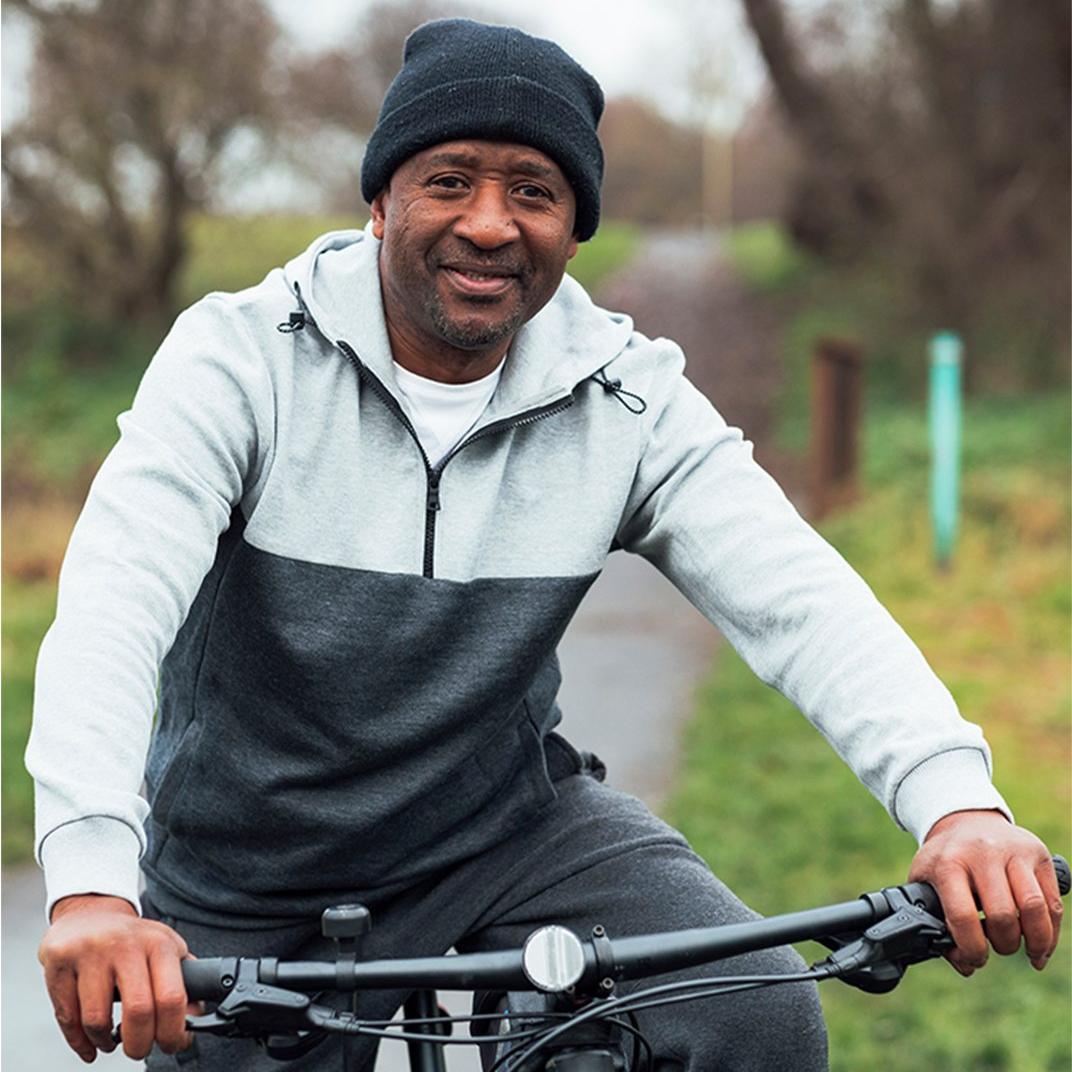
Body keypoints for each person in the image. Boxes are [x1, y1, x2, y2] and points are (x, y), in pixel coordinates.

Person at [29, 17, 1061, 1071]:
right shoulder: (241, 359)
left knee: (750, 1023)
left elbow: (796, 594)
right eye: (449, 181)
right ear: (379, 201)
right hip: (247, 864)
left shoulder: (624, 392)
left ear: (575, 232)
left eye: (533, 190)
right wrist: (95, 881)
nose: (490, 223)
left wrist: (955, 804)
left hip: (506, 834)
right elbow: (114, 605)